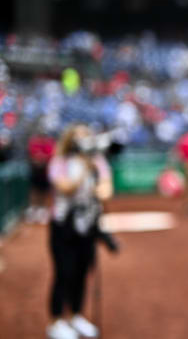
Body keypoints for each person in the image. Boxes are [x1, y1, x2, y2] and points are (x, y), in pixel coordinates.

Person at [46, 124, 113, 339]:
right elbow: (65, 188)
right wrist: (84, 168)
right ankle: (56, 320)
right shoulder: (60, 162)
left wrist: (97, 183)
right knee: (64, 272)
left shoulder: (98, 162)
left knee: (83, 271)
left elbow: (106, 189)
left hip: (88, 225)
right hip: (63, 225)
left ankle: (76, 315)